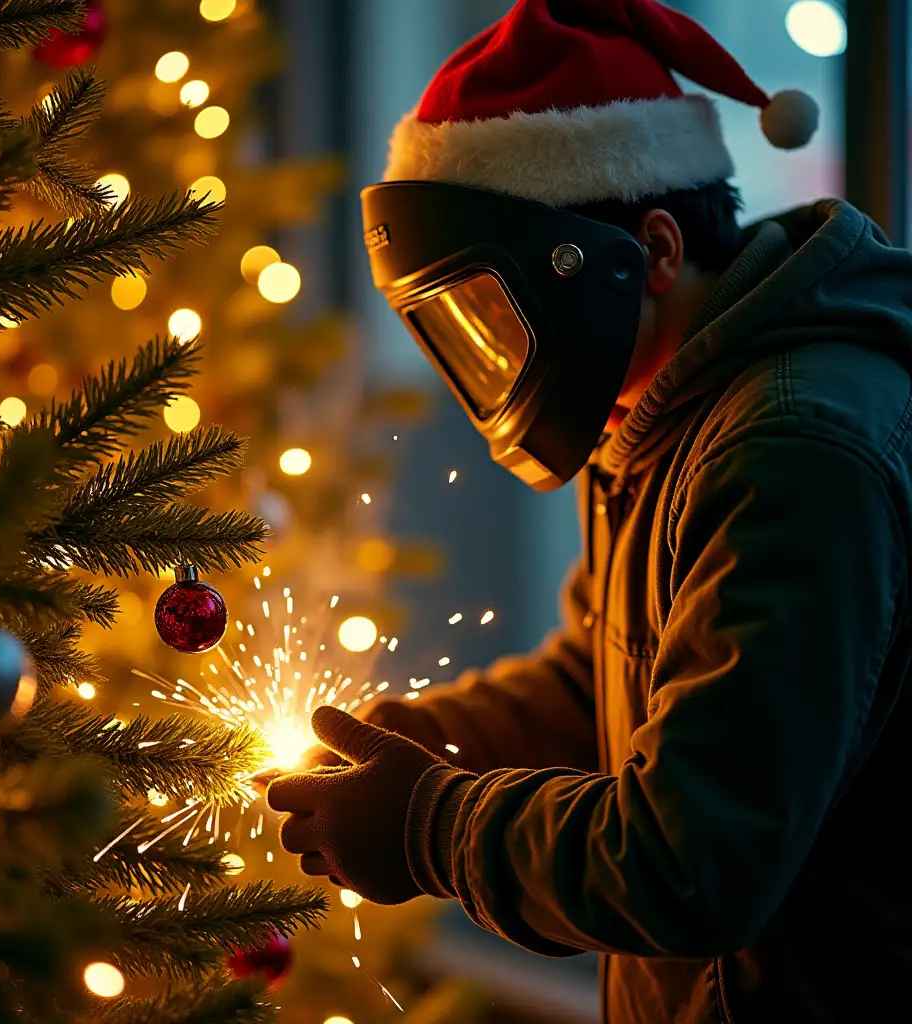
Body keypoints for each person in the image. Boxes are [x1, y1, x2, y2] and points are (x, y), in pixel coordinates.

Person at [265, 1, 912, 1021]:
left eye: (495, 313)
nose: (493, 363)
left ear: (650, 250)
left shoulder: (786, 450)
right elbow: (604, 677)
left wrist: (430, 823)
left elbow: (690, 861)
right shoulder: (662, 408)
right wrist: (423, 742)